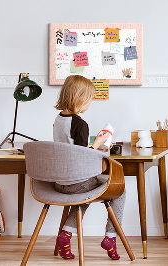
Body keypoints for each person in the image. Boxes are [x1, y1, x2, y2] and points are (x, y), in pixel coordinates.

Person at [53, 75, 126, 260]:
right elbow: (82, 156)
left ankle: (66, 235)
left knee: (84, 194)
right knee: (119, 189)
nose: (89, 103)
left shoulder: (58, 120)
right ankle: (111, 237)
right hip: (76, 182)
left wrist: (96, 145)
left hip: (59, 182)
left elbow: (71, 149)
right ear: (80, 98)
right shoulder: (80, 124)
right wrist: (99, 143)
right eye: (89, 99)